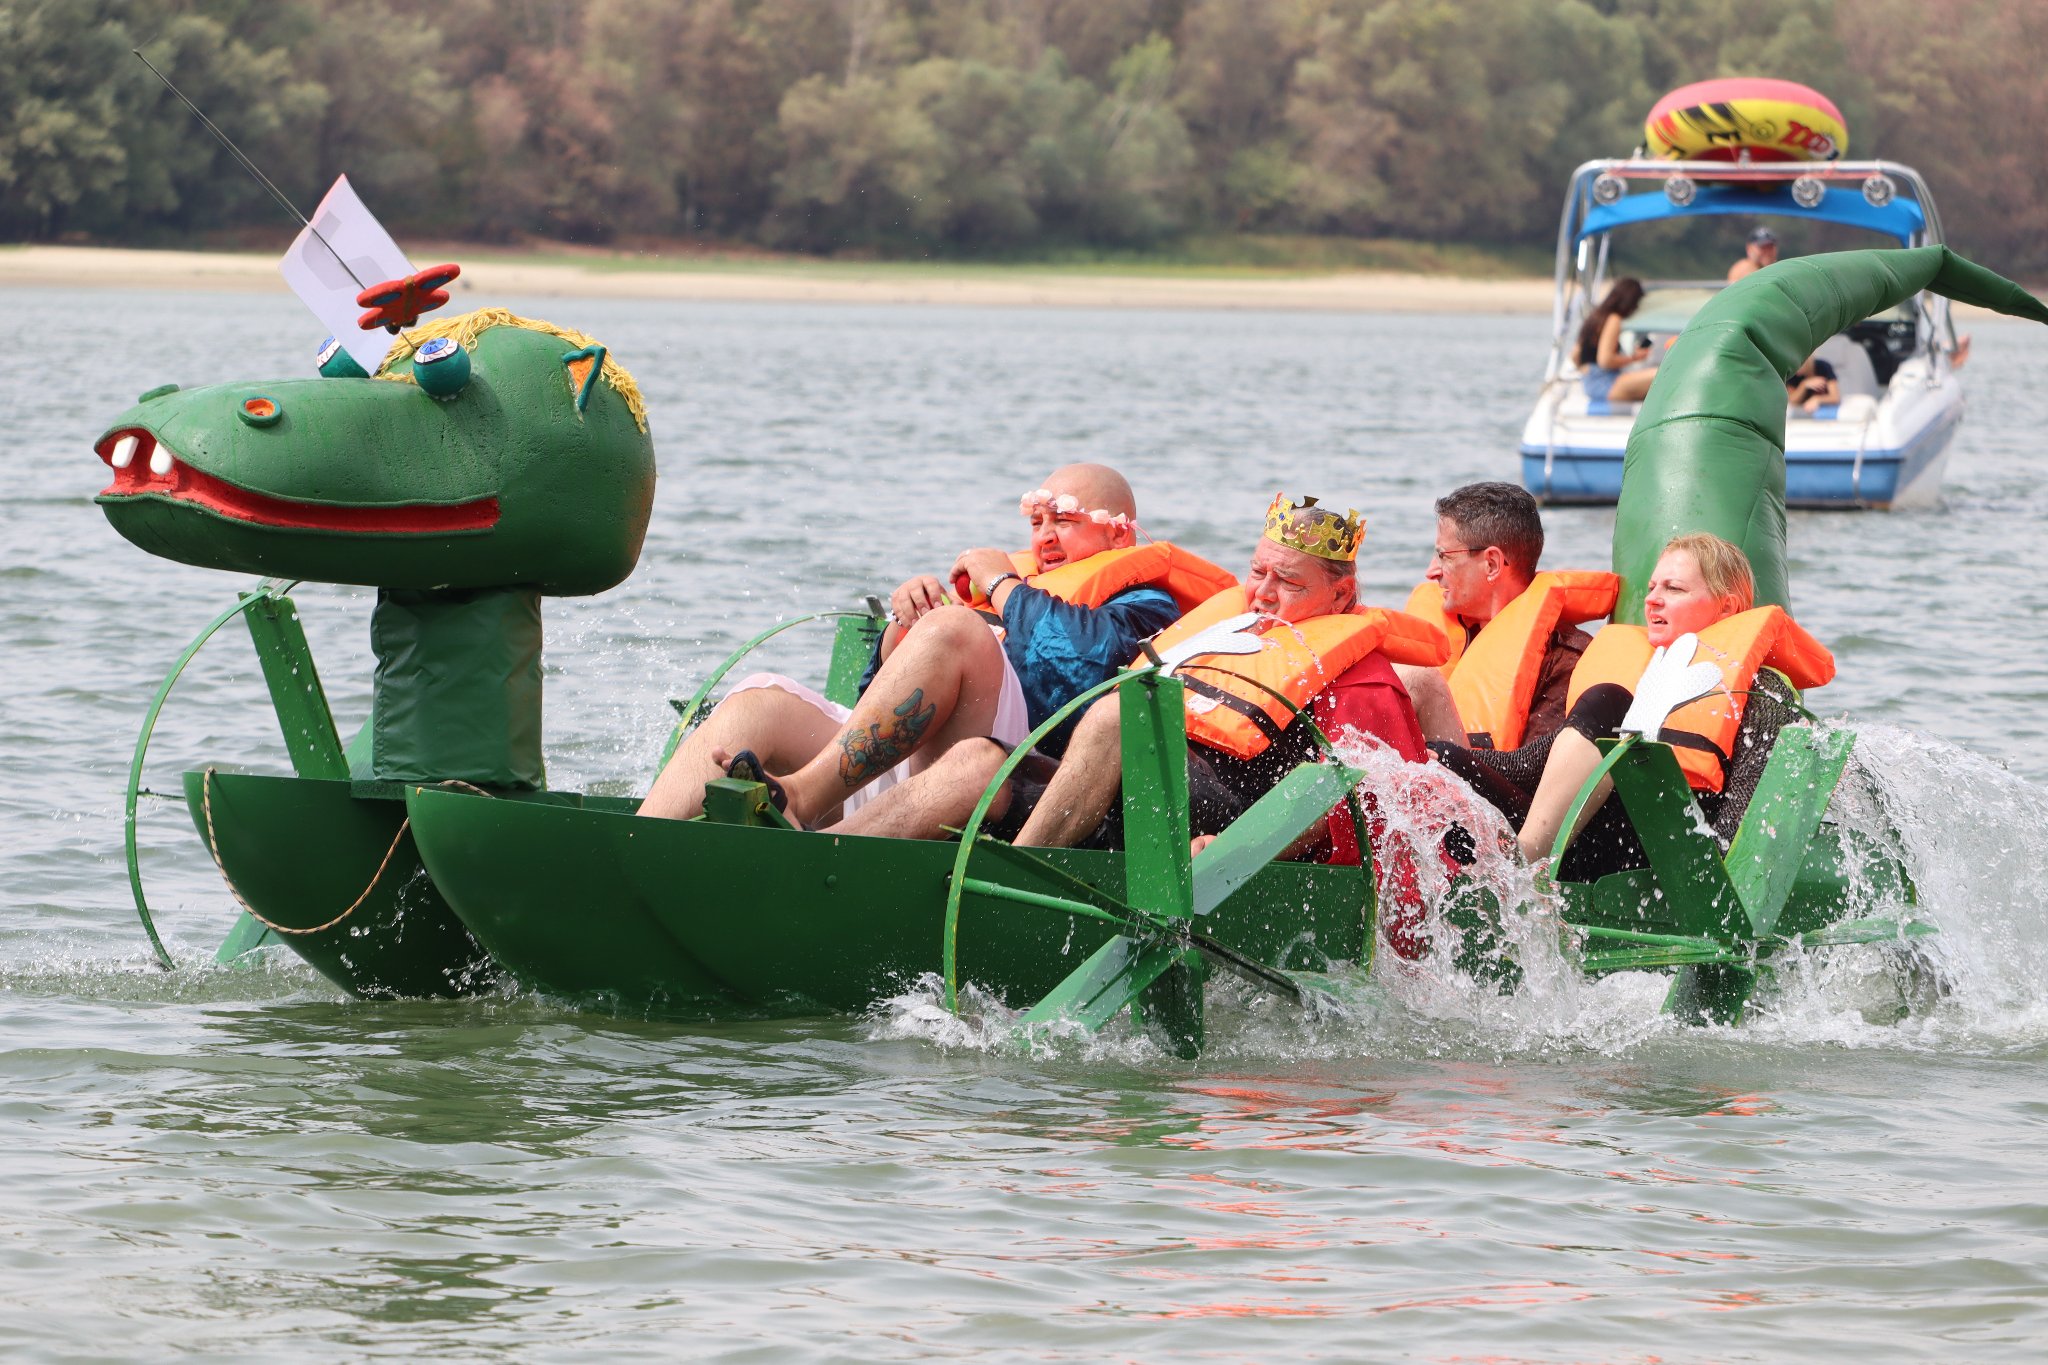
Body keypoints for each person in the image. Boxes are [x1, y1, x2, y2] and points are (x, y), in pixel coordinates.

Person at [831, 495, 1441, 868]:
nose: (1263, 593)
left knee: (1124, 714)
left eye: (1289, 582)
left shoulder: (1364, 682)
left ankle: (1008, 883)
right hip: (1119, 797)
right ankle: (823, 851)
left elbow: (1368, 803)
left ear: (1342, 594)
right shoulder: (1220, 628)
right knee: (974, 761)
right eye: (1257, 572)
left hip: (1221, 820)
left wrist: (1246, 850)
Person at [639, 463, 1233, 826]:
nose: (1046, 537)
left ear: (1117, 531)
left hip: (1007, 770)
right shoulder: (1015, 588)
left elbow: (1079, 674)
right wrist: (904, 629)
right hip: (899, 765)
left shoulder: (1147, 603)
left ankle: (800, 800)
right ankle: (640, 844)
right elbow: (873, 702)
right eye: (1037, 521)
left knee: (955, 630)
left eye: (1065, 521)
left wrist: (999, 587)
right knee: (757, 696)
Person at [1440, 533, 1832, 882]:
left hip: (1668, 860)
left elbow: (1743, 825)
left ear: (1727, 608)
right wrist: (1435, 756)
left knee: (1608, 698)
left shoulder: (1760, 693)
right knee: (1438, 763)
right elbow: (1525, 769)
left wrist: (1711, 887)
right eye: (1651, 587)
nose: (1652, 598)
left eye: (1674, 588)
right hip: (1587, 840)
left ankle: (1523, 867)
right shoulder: (1642, 678)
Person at [1396, 482, 1616, 752]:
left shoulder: (1564, 664)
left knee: (1420, 678)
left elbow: (1534, 777)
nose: (1432, 571)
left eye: (1445, 556)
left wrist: (1441, 758)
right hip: (1421, 778)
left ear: (1491, 564)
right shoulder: (1441, 637)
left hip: (1479, 789)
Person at [1576, 277, 1658, 404]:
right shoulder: (1614, 319)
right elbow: (1605, 360)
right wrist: (1634, 358)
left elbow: (1575, 355)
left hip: (1589, 383)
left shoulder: (1595, 317)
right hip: (1607, 383)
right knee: (1661, 374)